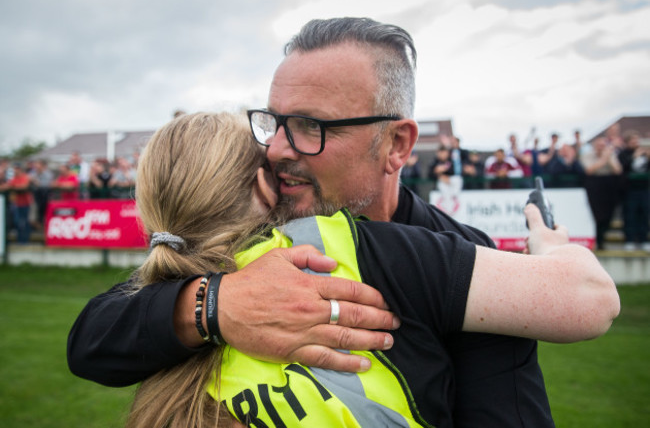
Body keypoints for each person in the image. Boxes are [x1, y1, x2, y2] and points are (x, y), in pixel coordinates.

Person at [68, 17, 605, 427]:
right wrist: (216, 304)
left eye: (309, 127)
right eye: (274, 122)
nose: (277, 149)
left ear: (397, 144)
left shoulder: (459, 252)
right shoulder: (261, 227)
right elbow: (93, 340)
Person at [125, 111, 618, 427]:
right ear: (263, 182)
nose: (284, 148)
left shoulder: (161, 293)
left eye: (313, 126)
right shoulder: (344, 243)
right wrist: (551, 245)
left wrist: (211, 305)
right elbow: (590, 300)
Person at [580, 136, 623, 250]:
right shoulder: (587, 155)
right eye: (599, 145)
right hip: (594, 186)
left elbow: (618, 170)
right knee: (596, 214)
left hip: (609, 186)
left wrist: (609, 158)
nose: (601, 147)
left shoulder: (611, 155)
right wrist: (603, 159)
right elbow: (589, 170)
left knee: (609, 214)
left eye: (603, 145)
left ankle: (602, 238)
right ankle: (598, 241)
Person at [618, 130, 650, 251]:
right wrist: (634, 157)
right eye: (633, 140)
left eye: (637, 140)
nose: (636, 143)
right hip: (629, 191)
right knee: (630, 215)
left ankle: (644, 239)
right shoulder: (623, 154)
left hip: (644, 189)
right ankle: (629, 240)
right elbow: (622, 168)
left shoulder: (644, 154)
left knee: (644, 214)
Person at [0, 163, 34, 244]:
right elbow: (6, 186)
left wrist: (12, 186)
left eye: (16, 169)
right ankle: (20, 240)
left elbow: (23, 186)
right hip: (17, 204)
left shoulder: (25, 177)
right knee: (17, 222)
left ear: (20, 169)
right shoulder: (14, 178)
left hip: (26, 204)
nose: (15, 170)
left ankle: (25, 240)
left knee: (25, 222)